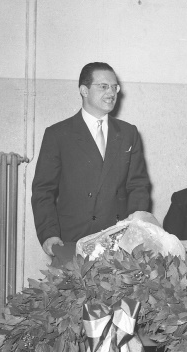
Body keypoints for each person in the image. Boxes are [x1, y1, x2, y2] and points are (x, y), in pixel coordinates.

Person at [31, 62, 151, 256]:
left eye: (114, 87)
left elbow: (138, 186)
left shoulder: (128, 133)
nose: (111, 93)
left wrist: (135, 230)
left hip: (119, 241)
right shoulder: (58, 134)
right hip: (72, 238)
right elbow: (43, 191)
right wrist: (48, 234)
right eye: (103, 86)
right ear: (84, 90)